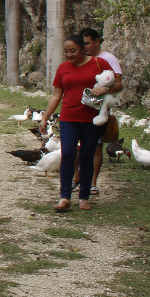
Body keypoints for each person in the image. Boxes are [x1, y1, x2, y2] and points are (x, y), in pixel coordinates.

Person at [39, 34, 113, 211]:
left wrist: (103, 88)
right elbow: (57, 95)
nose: (69, 55)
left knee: (87, 157)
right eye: (66, 51)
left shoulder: (98, 64)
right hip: (68, 118)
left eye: (73, 51)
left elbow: (117, 84)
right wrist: (45, 117)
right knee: (68, 155)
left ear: (83, 48)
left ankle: (84, 197)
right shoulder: (63, 68)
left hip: (92, 120)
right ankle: (64, 197)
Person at [76, 27, 124, 196]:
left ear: (97, 41)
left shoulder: (108, 59)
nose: (85, 47)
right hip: (79, 108)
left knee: (96, 147)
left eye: (87, 43)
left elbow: (118, 84)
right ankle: (77, 178)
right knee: (76, 146)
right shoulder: (80, 57)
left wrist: (105, 90)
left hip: (98, 111)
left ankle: (92, 183)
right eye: (83, 43)